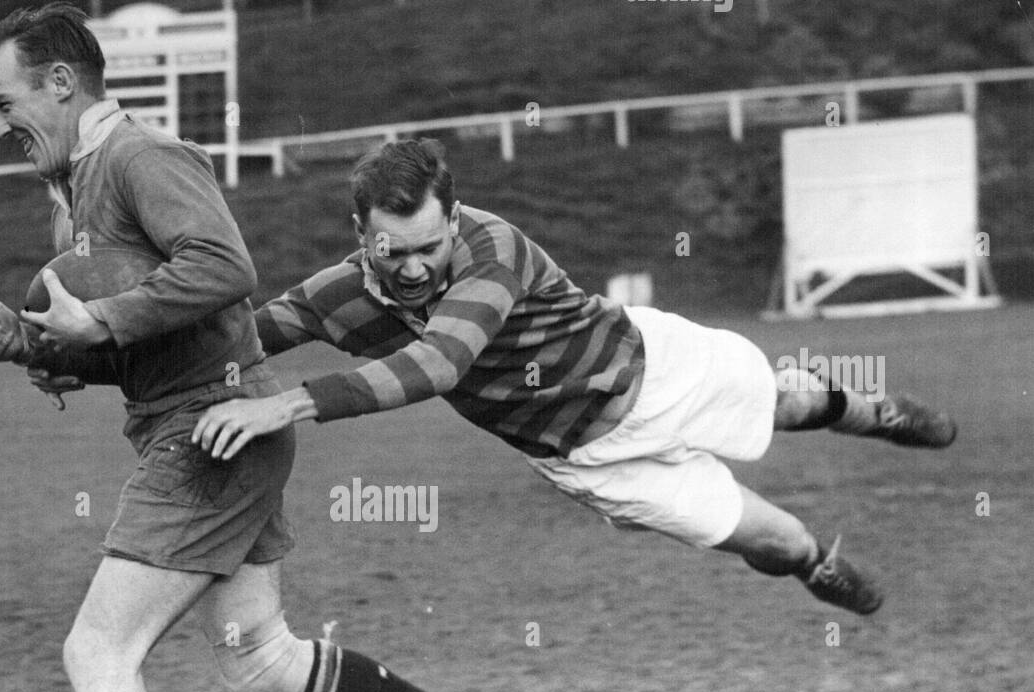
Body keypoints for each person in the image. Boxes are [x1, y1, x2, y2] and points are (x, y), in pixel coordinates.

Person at [0, 6, 540, 692]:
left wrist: (95, 319)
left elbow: (225, 271)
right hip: (202, 415)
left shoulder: (138, 157)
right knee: (260, 663)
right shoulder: (85, 185)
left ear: (61, 84)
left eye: (2, 101)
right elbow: (172, 331)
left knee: (98, 646)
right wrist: (46, 343)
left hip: (208, 432)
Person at [190, 138, 959, 617]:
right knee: (778, 540)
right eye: (395, 252)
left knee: (793, 400)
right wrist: (92, 346)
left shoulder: (495, 249)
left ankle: (876, 411)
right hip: (588, 459)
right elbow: (239, 338)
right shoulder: (336, 296)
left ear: (453, 220)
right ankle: (815, 564)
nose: (417, 265)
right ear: (361, 234)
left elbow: (439, 364)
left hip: (657, 370)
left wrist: (288, 405)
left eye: (430, 244)